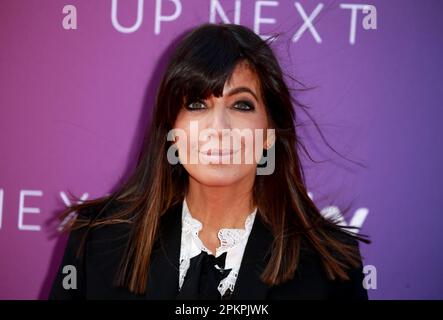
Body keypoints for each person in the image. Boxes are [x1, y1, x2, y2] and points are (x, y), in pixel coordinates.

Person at [49, 23, 370, 300]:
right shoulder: (95, 242)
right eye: (197, 103)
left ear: (270, 134)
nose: (218, 128)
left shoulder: (332, 264)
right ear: (172, 130)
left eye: (241, 105)